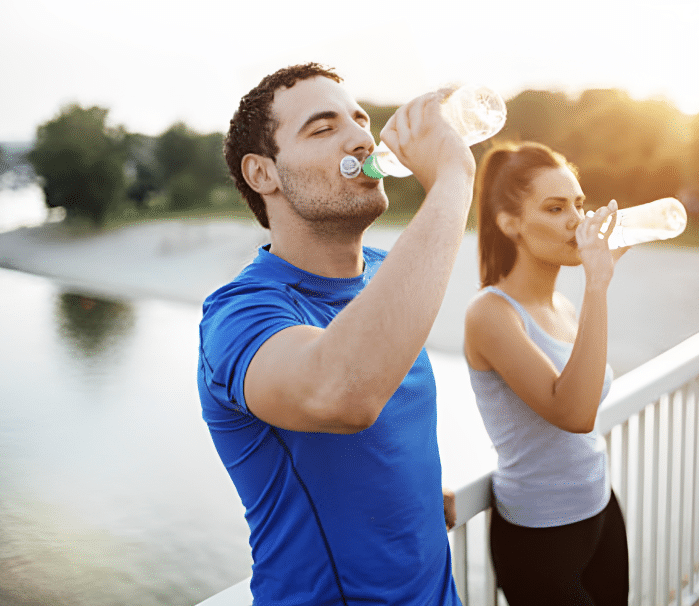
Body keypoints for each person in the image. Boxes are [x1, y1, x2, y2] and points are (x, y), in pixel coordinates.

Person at [197, 63, 474, 605]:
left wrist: (412, 493)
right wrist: (454, 178)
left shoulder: (385, 273)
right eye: (323, 128)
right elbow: (341, 393)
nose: (360, 137)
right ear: (263, 174)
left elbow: (382, 437)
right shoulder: (238, 316)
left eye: (360, 118)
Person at [463, 142, 630, 605]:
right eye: (556, 208)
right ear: (509, 222)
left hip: (598, 507)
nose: (577, 220)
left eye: (579, 204)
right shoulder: (491, 314)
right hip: (540, 536)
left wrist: (593, 288)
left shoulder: (563, 305)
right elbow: (575, 412)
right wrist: (598, 283)